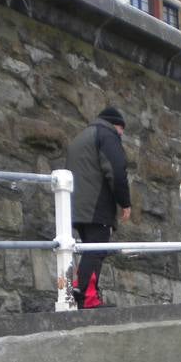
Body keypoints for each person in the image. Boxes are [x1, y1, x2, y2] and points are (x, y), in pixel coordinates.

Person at [65, 105, 131, 308]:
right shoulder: (107, 135)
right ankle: (86, 297)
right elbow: (117, 171)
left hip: (76, 204)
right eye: (122, 130)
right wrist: (125, 203)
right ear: (116, 125)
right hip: (96, 205)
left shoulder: (81, 137)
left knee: (90, 249)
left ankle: (83, 293)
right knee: (97, 249)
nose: (121, 135)